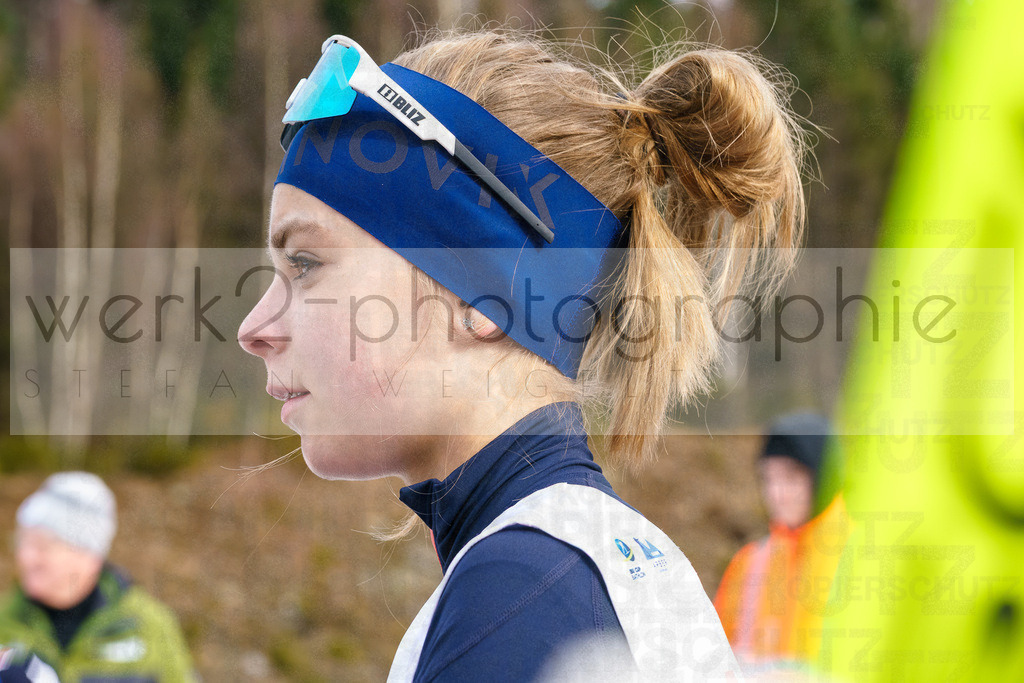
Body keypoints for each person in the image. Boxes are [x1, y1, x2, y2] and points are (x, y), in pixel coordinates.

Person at [238, 28, 807, 680]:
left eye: (305, 263)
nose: (255, 327)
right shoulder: (586, 566)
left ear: (489, 289)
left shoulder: (514, 601)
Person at [0, 472, 196, 682]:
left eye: (43, 546)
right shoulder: (5, 621)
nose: (26, 557)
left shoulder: (150, 629)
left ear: (88, 556)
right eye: (23, 542)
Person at [713, 413, 850, 671]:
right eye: (768, 478)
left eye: (791, 478)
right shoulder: (748, 564)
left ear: (826, 477)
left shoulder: (865, 558)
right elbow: (714, 662)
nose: (776, 494)